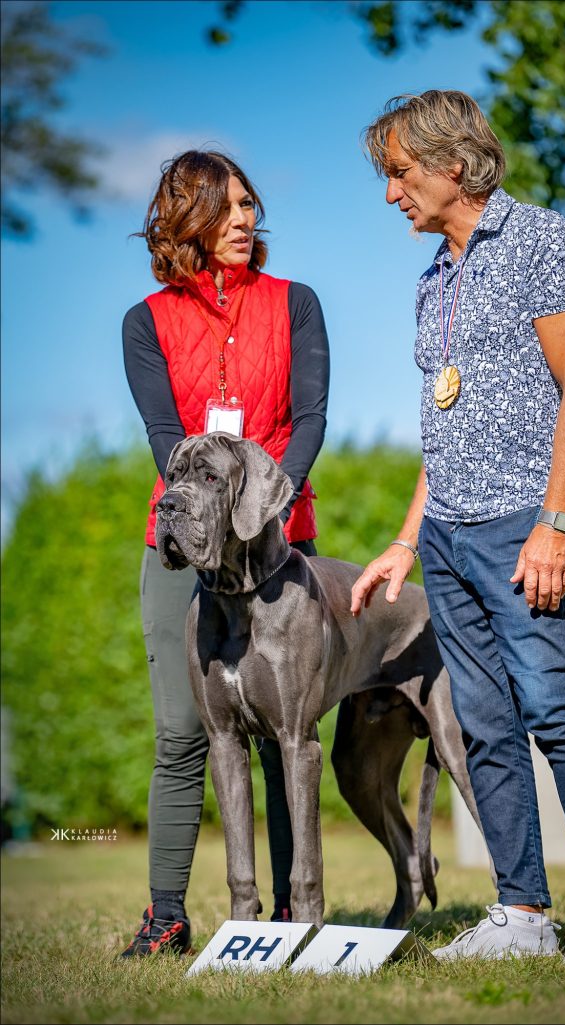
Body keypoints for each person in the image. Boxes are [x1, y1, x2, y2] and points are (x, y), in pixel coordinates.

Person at [351, 91, 565, 966]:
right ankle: (520, 914)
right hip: (445, 535)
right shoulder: (430, 279)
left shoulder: (539, 241)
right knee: (481, 724)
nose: (390, 193)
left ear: (452, 164)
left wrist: (555, 524)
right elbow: (440, 428)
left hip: (525, 522)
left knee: (556, 706)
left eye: (399, 174)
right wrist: (409, 537)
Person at [121, 150, 330, 956]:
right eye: (226, 206)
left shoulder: (296, 304)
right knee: (181, 731)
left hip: (280, 543)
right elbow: (165, 438)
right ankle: (167, 916)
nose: (245, 218)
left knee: (288, 736)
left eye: (250, 204)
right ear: (186, 220)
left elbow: (309, 416)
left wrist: (262, 509)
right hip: (183, 545)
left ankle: (287, 915)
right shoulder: (146, 321)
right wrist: (213, 518)